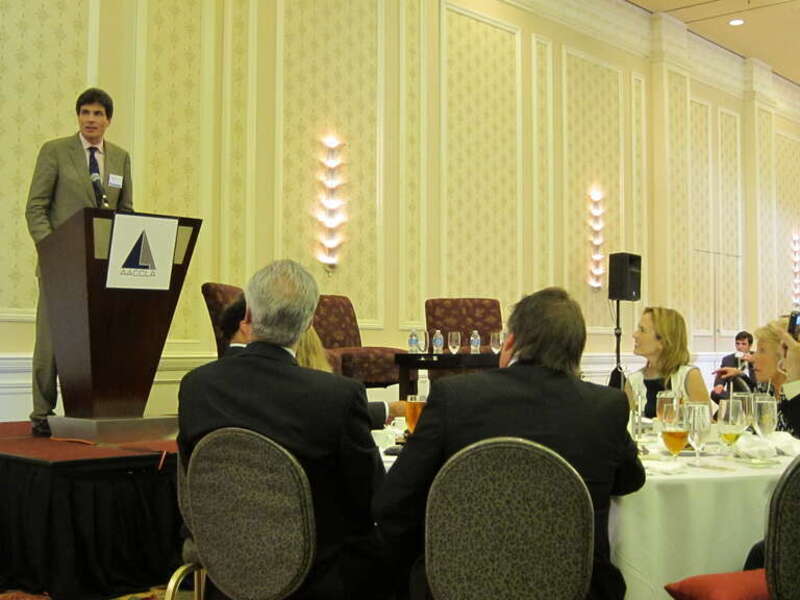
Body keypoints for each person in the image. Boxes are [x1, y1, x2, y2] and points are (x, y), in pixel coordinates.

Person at [373, 287, 645, 600]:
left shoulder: (455, 396)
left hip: (459, 584)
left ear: (511, 342)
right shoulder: (605, 406)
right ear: (577, 350)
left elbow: (393, 503)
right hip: (575, 587)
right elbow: (630, 479)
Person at [179, 260, 387, 600]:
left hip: (228, 572)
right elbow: (369, 499)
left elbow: (194, 477)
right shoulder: (336, 396)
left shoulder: (197, 387)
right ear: (307, 324)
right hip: (317, 579)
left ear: (246, 316)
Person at [25, 88, 133, 437]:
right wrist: (52, 249)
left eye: (98, 114)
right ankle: (42, 414)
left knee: (94, 342)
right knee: (51, 342)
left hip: (101, 269)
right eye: (85, 112)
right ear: (78, 116)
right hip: (61, 266)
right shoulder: (55, 151)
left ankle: (88, 410)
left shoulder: (120, 158)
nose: (91, 119)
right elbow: (36, 208)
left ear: (108, 120)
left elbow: (126, 211)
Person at [216, 293, 403, 427]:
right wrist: (388, 410)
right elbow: (320, 411)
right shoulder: (312, 389)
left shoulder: (195, 385)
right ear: (247, 326)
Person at [625, 307, 709, 417]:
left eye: (642, 330)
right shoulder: (633, 381)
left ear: (663, 341)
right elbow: (628, 428)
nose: (634, 335)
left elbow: (704, 424)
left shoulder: (689, 376)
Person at [749, 318, 800, 437]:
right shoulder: (765, 389)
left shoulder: (795, 392)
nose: (754, 357)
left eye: (762, 350)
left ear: (785, 354)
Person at [711, 331, 756, 402]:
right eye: (737, 344)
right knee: (715, 393)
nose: (739, 347)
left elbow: (759, 383)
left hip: (752, 394)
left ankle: (737, 404)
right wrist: (719, 385)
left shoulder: (757, 358)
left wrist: (754, 362)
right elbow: (721, 375)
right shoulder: (728, 359)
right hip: (733, 395)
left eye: (743, 344)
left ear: (750, 346)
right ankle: (737, 403)